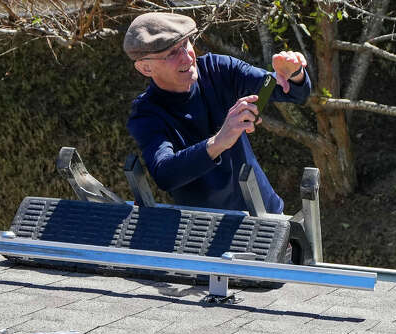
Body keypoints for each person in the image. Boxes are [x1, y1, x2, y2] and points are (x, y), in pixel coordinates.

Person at [123, 12, 311, 214]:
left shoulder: (218, 69)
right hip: (203, 230)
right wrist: (221, 140)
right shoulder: (146, 113)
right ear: (145, 68)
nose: (187, 57)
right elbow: (165, 174)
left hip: (265, 213)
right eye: (171, 53)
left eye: (186, 44)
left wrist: (293, 74)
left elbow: (281, 89)